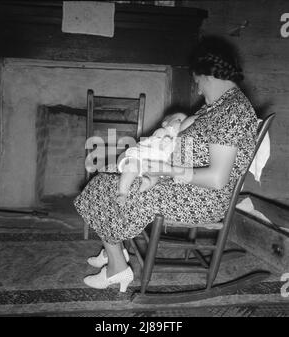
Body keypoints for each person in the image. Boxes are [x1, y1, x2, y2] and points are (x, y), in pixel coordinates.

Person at [74, 37, 258, 292]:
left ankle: (117, 266)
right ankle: (114, 251)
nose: (198, 89)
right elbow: (185, 152)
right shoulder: (217, 108)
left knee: (107, 187)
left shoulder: (232, 111)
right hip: (186, 185)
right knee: (109, 176)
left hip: (203, 198)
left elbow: (217, 179)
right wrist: (155, 163)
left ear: (206, 75)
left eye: (197, 82)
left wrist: (164, 171)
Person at [115, 112, 198, 206]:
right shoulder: (163, 131)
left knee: (155, 178)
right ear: (165, 123)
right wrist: (165, 138)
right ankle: (122, 192)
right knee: (131, 167)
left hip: (156, 164)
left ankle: (146, 183)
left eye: (184, 121)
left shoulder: (179, 139)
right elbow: (157, 137)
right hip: (141, 156)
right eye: (178, 120)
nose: (182, 123)